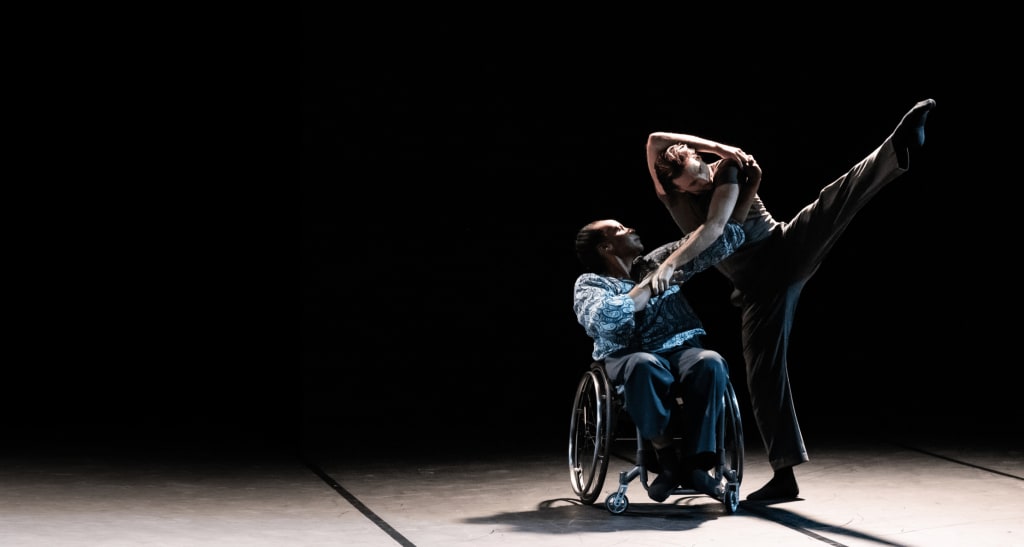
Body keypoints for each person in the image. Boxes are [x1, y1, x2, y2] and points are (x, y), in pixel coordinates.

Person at [643, 98, 937, 501]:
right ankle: (785, 475)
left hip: (782, 250)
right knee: (763, 376)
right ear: (673, 188)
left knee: (832, 201)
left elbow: (715, 228)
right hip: (755, 290)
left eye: (700, 170)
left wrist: (719, 154)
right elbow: (654, 140)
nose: (702, 182)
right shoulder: (672, 192)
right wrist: (718, 145)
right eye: (692, 184)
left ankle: (896, 147)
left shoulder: (727, 170)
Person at [572, 217, 745, 502]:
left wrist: (724, 211)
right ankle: (667, 461)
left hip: (680, 348)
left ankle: (696, 465)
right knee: (643, 364)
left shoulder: (659, 261)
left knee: (710, 362)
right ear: (605, 247)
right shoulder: (591, 284)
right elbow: (605, 319)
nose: (630, 228)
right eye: (619, 229)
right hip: (627, 354)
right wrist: (648, 289)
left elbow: (727, 237)